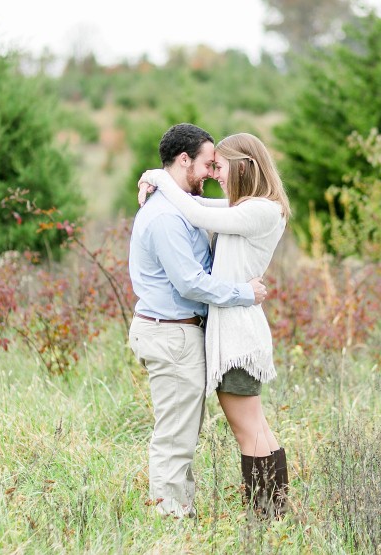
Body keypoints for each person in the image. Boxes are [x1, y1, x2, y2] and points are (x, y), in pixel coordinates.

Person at [138, 132, 291, 518]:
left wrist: (157, 176)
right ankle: (272, 515)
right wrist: (156, 176)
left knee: (250, 430)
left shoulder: (259, 210)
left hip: (237, 337)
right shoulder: (249, 207)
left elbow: (195, 211)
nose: (216, 175)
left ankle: (268, 517)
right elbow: (197, 204)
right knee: (255, 428)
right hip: (230, 334)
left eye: (220, 167)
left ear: (243, 165)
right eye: (211, 166)